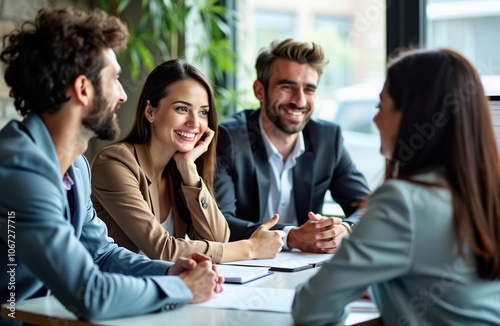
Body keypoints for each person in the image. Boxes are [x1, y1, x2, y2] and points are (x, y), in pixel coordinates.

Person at [0, 7, 222, 324]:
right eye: (115, 79)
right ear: (83, 89)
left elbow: (101, 253)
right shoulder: (19, 169)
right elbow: (90, 294)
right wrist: (181, 287)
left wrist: (171, 269)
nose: (121, 95)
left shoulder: (76, 166)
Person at [292, 48, 500, 325]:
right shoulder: (486, 192)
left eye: (381, 105)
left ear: (412, 113)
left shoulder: (403, 202)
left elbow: (310, 310)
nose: (375, 119)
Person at [90, 59, 285, 263]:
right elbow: (163, 249)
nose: (194, 123)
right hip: (117, 289)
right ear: (150, 112)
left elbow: (218, 238)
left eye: (203, 112)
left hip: (166, 286)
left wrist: (189, 171)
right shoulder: (115, 162)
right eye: (182, 109)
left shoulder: (177, 170)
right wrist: (251, 248)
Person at [215, 39, 370, 253]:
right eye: (287, 87)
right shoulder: (229, 139)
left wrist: (345, 229)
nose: (299, 101)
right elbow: (219, 224)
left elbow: (367, 207)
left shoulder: (327, 139)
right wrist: (291, 237)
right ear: (259, 90)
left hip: (307, 268)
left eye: (309, 89)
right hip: (243, 268)